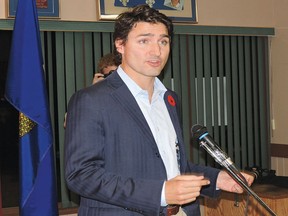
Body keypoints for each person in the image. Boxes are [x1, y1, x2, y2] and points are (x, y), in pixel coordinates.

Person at [64, 5, 254, 216]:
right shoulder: (91, 99)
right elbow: (81, 175)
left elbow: (172, 165)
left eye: (163, 41)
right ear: (120, 45)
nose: (156, 51)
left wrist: (218, 179)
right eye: (144, 40)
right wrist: (161, 193)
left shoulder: (169, 98)